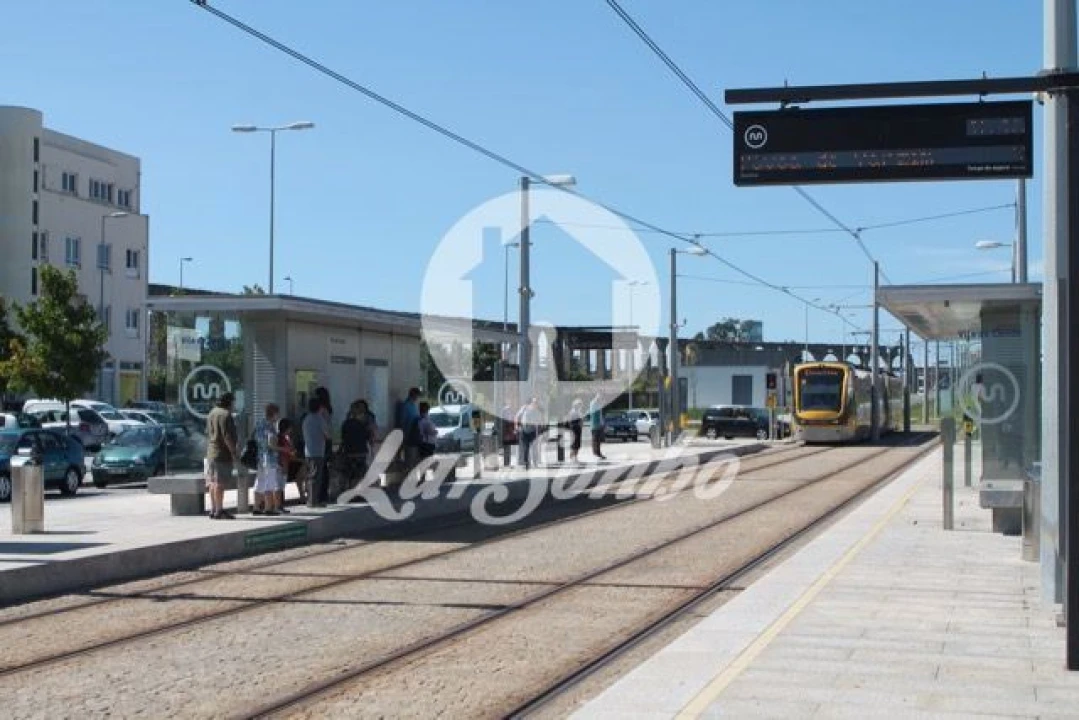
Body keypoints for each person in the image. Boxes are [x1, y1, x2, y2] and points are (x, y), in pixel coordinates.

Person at [205, 392, 239, 519]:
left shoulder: (212, 412)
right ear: (229, 402)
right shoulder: (226, 415)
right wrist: (234, 452)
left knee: (212, 482)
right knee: (220, 482)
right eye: (233, 401)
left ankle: (213, 509)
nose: (234, 404)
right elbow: (227, 436)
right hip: (222, 453)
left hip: (211, 452)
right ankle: (219, 510)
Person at [302, 397, 332, 508]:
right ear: (319, 407)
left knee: (311, 475)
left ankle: (311, 499)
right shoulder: (319, 419)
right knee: (316, 477)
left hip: (308, 451)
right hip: (318, 451)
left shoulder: (306, 419)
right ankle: (313, 501)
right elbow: (327, 434)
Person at [252, 403, 281, 515]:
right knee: (270, 482)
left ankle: (256, 507)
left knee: (259, 481)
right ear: (274, 414)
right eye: (277, 413)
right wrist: (283, 449)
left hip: (259, 457)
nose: (278, 416)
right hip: (269, 458)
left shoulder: (259, 424)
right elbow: (271, 444)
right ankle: (268, 508)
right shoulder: (270, 426)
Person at [340, 399, 377, 487]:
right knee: (360, 474)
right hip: (361, 453)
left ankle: (350, 489)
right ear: (360, 414)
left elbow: (343, 438)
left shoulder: (346, 423)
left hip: (349, 453)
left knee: (350, 474)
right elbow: (368, 437)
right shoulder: (362, 425)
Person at [314, 387, 334, 504]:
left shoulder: (321, 410)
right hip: (327, 441)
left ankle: (321, 494)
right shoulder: (328, 408)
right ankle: (323, 494)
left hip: (322, 441)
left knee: (321, 468)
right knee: (324, 468)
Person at [276, 417, 296, 514]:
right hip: (282, 464)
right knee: (279, 486)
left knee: (281, 486)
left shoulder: (284, 438)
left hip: (284, 463)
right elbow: (287, 450)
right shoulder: (282, 439)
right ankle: (278, 505)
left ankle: (279, 505)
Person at [519, 398, 541, 469]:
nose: (535, 404)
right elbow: (518, 416)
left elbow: (539, 422)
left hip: (533, 430)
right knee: (526, 448)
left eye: (536, 403)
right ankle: (526, 463)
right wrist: (518, 426)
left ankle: (535, 463)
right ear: (531, 403)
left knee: (534, 448)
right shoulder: (524, 409)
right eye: (534, 403)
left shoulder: (537, 412)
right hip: (524, 430)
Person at [589, 392, 606, 460]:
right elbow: (594, 414)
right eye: (600, 398)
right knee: (595, 440)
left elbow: (600, 415)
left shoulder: (598, 404)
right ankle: (595, 453)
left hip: (599, 425)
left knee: (598, 440)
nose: (601, 399)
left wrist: (602, 423)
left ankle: (598, 453)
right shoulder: (593, 403)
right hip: (595, 425)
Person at [568, 398, 584, 464]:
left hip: (578, 429)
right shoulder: (572, 412)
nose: (580, 406)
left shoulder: (579, 412)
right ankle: (572, 457)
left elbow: (581, 421)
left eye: (580, 404)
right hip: (574, 429)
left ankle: (575, 457)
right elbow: (570, 421)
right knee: (574, 444)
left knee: (577, 444)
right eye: (578, 404)